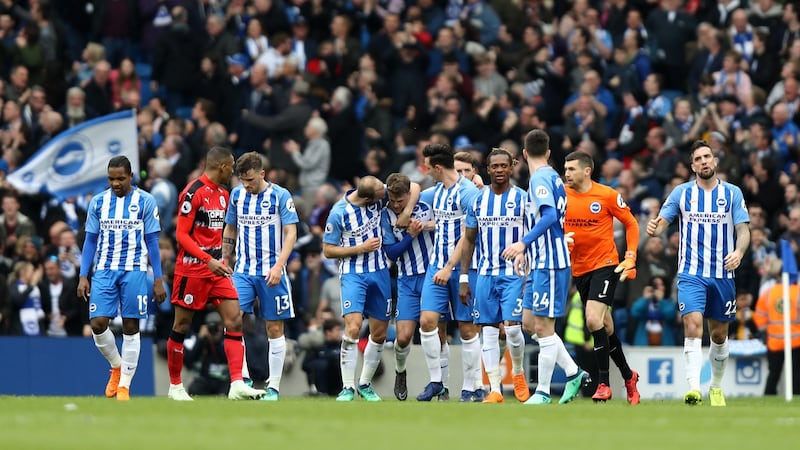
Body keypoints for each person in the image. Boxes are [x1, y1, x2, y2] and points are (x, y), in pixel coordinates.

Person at [646, 140, 750, 406]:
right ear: (692, 166)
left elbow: (743, 230)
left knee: (718, 335)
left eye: (707, 157)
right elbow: (663, 223)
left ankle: (715, 386)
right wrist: (653, 229)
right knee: (692, 326)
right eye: (698, 159)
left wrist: (738, 252)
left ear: (714, 161)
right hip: (691, 273)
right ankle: (693, 388)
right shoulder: (681, 193)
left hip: (723, 273)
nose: (704, 162)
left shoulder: (733, 193)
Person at [165, 146, 265, 402]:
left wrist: (221, 258)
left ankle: (236, 384)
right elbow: (181, 236)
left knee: (234, 321)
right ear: (222, 166)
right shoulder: (192, 192)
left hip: (217, 270)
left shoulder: (224, 194)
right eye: (231, 166)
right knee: (182, 326)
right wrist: (208, 259)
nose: (233, 171)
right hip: (192, 269)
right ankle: (175, 386)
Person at [501, 129, 589, 405]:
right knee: (528, 323)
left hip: (550, 263)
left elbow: (550, 215)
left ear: (524, 154)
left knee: (543, 328)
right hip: (538, 263)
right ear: (549, 153)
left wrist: (522, 244)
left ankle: (542, 391)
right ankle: (574, 372)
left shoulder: (540, 178)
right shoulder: (552, 177)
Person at [77, 156, 167, 401]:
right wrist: (83, 275)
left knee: (131, 325)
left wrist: (158, 278)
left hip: (135, 270)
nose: (115, 183)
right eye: (111, 178)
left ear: (131, 177)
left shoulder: (146, 201)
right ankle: (117, 366)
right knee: (97, 323)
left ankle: (124, 386)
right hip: (104, 270)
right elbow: (90, 241)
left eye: (120, 178)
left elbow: (152, 242)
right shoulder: (98, 202)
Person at [322, 175, 419, 401]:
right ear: (366, 198)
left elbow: (413, 186)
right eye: (379, 196)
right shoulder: (338, 213)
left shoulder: (376, 194)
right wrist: (360, 248)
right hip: (353, 274)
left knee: (379, 333)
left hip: (380, 273)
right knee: (354, 327)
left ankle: (365, 384)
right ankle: (347, 387)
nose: (384, 198)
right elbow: (328, 250)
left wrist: (405, 213)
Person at [563, 150, 641, 404]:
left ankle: (603, 384)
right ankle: (629, 377)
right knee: (606, 327)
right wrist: (561, 241)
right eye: (565, 169)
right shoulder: (561, 195)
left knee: (593, 319)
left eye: (572, 169)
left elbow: (631, 223)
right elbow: (551, 224)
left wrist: (630, 256)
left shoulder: (607, 195)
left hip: (606, 264)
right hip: (580, 269)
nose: (567, 173)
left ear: (587, 171)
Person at [222, 152, 299, 401]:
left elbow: (290, 233)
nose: (246, 185)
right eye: (243, 180)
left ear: (262, 174)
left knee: (274, 327)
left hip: (270, 271)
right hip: (243, 271)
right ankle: (242, 378)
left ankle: (273, 387)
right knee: (233, 321)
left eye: (251, 180)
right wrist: (225, 257)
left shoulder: (280, 196)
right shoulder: (236, 195)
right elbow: (231, 227)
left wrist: (279, 266)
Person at [460, 148, 529, 403]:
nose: (499, 170)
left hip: (514, 273)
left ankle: (519, 373)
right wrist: (465, 278)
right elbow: (468, 240)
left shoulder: (523, 199)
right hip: (485, 274)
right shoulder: (477, 200)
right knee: (487, 331)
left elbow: (533, 236)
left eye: (504, 166)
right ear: (487, 170)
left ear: (512, 167)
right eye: (494, 166)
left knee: (511, 329)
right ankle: (495, 390)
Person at [416, 143, 482, 403]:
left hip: (461, 268)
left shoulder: (466, 193)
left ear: (438, 167)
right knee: (427, 322)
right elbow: (414, 191)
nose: (425, 170)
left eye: (428, 166)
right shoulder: (439, 191)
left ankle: (469, 386)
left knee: (467, 329)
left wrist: (450, 267)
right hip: (437, 265)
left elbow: (469, 235)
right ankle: (436, 382)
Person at [380, 173, 438, 401]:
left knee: (432, 328)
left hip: (431, 276)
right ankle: (400, 371)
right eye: (392, 201)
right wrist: (410, 235)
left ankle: (438, 382)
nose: (396, 205)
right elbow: (391, 253)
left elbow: (424, 187)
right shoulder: (385, 216)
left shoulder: (425, 204)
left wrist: (421, 224)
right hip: (405, 279)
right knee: (403, 337)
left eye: (400, 201)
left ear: (408, 196)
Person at [753, 270, 800, 396]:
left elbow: (759, 316)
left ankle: (769, 396)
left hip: (774, 341)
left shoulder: (768, 293)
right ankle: (796, 396)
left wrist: (764, 332)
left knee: (774, 373)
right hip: (796, 341)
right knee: (797, 374)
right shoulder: (798, 292)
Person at [185, 312, 230, 396]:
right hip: (207, 379)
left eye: (218, 325)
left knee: (228, 390)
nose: (215, 329)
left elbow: (228, 358)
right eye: (212, 326)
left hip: (224, 379)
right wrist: (199, 339)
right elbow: (189, 360)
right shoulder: (203, 340)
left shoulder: (227, 339)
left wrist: (217, 342)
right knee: (194, 389)